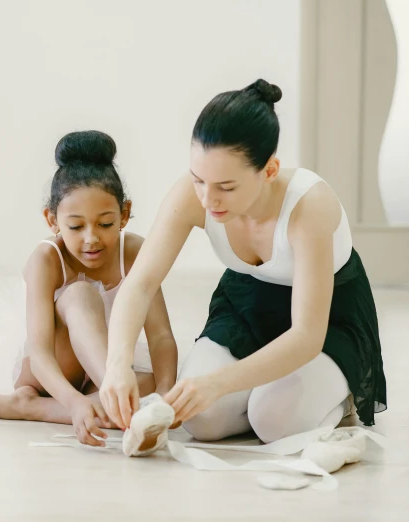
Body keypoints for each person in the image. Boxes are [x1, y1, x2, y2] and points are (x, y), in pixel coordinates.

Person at [99, 79, 387, 444]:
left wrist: (218, 382)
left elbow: (306, 335)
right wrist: (116, 364)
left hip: (325, 319)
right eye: (199, 180)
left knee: (273, 422)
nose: (207, 199)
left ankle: (328, 397)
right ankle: (272, 396)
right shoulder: (193, 195)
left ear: (269, 170)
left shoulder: (310, 206)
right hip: (248, 304)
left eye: (226, 187)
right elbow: (140, 284)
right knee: (200, 419)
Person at [0, 130, 178, 447]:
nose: (91, 238)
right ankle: (90, 401)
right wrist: (76, 401)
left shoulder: (134, 252)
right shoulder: (47, 259)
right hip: (49, 372)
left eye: (105, 224)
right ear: (52, 220)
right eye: (76, 227)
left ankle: (33, 408)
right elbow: (38, 355)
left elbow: (160, 335)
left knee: (147, 383)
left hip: (101, 371)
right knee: (80, 294)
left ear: (124, 214)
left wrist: (165, 395)